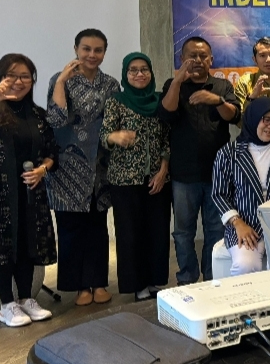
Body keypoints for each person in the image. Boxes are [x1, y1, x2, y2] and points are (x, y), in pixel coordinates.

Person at [0, 54, 57, 327]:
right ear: (0, 78)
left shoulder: (38, 115)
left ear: (32, 80)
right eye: (11, 75)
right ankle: (7, 305)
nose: (18, 81)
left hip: (30, 190)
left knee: (27, 242)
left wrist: (42, 170)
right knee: (1, 244)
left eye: (25, 76)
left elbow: (52, 151)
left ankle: (27, 299)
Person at [45, 28, 120, 306]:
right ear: (76, 49)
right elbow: (56, 120)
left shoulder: (110, 84)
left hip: (99, 166)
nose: (92, 55)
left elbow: (114, 121)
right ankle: (80, 287)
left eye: (98, 50)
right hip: (67, 167)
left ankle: (98, 282)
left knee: (97, 228)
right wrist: (61, 82)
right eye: (86, 49)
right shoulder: (60, 79)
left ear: (104, 53)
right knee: (71, 229)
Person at [159, 36, 241, 285]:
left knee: (216, 230)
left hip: (218, 174)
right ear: (182, 59)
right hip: (183, 175)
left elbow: (234, 116)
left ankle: (212, 278)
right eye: (191, 56)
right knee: (183, 232)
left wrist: (216, 100)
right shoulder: (173, 85)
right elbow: (166, 113)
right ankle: (187, 277)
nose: (197, 60)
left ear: (211, 59)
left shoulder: (222, 86)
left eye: (203, 56)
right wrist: (177, 81)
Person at [101, 53, 171, 301]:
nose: (139, 74)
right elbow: (104, 136)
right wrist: (115, 136)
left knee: (158, 232)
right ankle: (137, 284)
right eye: (133, 70)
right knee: (131, 235)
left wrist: (163, 169)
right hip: (125, 181)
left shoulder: (160, 101)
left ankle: (155, 281)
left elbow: (167, 138)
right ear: (125, 74)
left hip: (158, 179)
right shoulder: (116, 101)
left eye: (144, 69)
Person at [211, 98, 270, 276]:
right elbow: (219, 194)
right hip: (245, 225)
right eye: (266, 120)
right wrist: (238, 223)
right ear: (254, 118)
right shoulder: (229, 153)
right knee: (245, 266)